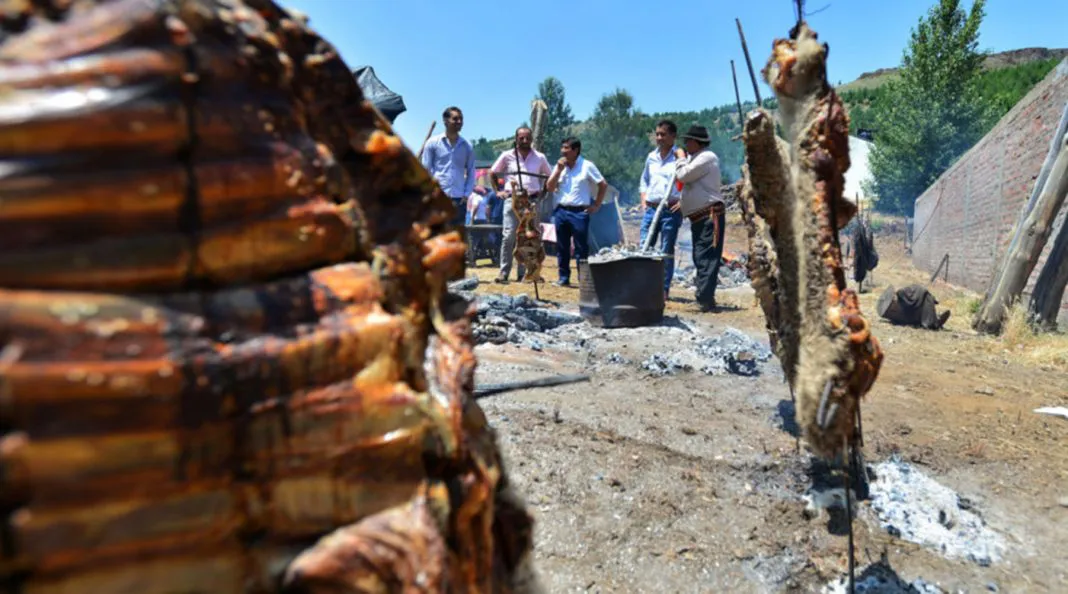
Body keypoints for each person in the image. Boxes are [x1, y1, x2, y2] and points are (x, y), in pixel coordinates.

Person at [489, 126, 552, 283]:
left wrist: (543, 194)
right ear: (516, 139)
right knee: (509, 235)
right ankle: (504, 272)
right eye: (521, 138)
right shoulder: (507, 155)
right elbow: (492, 173)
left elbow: (549, 177)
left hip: (532, 201)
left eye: (527, 138)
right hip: (513, 199)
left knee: (529, 237)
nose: (524, 141)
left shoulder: (540, 157)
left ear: (531, 139)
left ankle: (525, 273)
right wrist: (498, 191)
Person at [673, 125, 724, 311]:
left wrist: (680, 159)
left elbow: (683, 175)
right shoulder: (696, 159)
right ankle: (704, 297)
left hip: (710, 214)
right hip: (700, 216)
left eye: (688, 141)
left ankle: (705, 299)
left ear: (697, 142)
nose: (685, 144)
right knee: (700, 256)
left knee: (707, 257)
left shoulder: (706, 157)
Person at [545, 137, 607, 287]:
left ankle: (583, 279)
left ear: (575, 150)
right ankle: (564, 277)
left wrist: (597, 204)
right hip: (561, 210)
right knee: (562, 247)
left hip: (579, 212)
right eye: (562, 148)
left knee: (581, 247)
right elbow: (549, 187)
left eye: (566, 148)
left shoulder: (587, 166)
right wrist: (558, 171)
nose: (563, 151)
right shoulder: (559, 167)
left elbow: (603, 184)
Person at [638, 119, 684, 300]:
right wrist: (644, 200)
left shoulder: (680, 158)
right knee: (645, 247)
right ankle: (643, 285)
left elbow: (688, 181)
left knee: (666, 250)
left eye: (663, 134)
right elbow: (644, 181)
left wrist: (683, 202)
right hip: (651, 209)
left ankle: (663, 290)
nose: (659, 138)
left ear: (673, 136)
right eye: (657, 134)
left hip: (670, 210)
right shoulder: (651, 157)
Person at [420, 106, 475, 227]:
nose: (459, 122)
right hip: (438, 196)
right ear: (445, 121)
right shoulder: (433, 143)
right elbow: (425, 170)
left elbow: (471, 172)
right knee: (437, 232)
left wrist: (466, 195)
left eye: (461, 119)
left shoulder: (467, 146)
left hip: (459, 198)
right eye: (455, 119)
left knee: (457, 236)